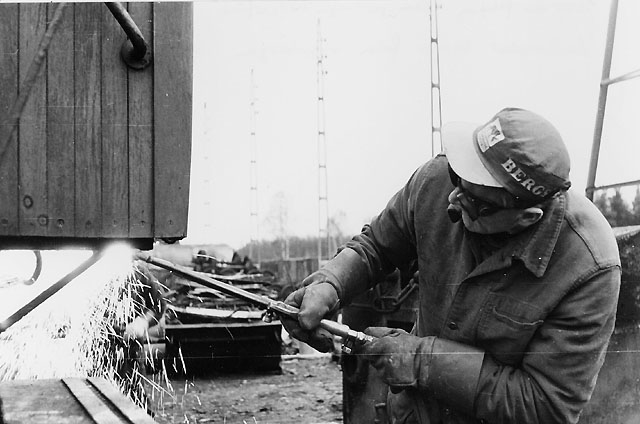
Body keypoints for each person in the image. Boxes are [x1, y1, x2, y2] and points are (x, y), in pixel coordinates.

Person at [282, 108, 621, 423]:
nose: (452, 199)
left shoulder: (588, 267)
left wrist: (423, 362)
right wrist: (331, 283)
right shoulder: (438, 181)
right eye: (456, 179)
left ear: (526, 218)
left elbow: (545, 405)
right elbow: (377, 245)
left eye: (475, 201)